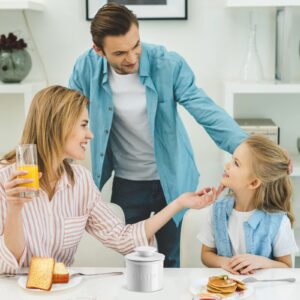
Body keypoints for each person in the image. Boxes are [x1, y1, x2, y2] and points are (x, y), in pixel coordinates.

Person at [69, 3, 247, 267]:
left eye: (135, 45)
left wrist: (247, 148)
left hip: (172, 180)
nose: (132, 57)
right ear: (99, 50)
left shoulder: (168, 64)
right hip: (127, 182)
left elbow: (204, 109)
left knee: (171, 259)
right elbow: (64, 117)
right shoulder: (86, 68)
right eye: (120, 53)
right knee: (132, 259)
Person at [0, 85, 218, 274]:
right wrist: (15, 209)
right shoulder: (6, 180)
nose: (90, 135)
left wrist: (178, 203)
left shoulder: (81, 182)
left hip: (62, 291)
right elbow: (8, 265)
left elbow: (123, 239)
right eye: (84, 125)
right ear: (59, 125)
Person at [197, 134, 298, 274]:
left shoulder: (278, 221)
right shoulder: (216, 211)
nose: (226, 165)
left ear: (254, 182)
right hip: (225, 293)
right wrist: (224, 263)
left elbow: (287, 266)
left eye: (236, 163)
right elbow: (206, 255)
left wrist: (262, 262)